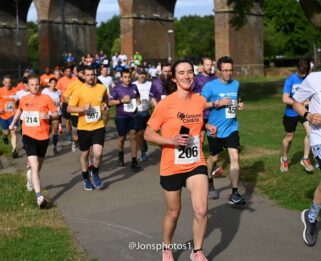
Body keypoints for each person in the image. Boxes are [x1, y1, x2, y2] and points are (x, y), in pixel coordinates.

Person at [144, 60, 217, 261]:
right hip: (171, 166)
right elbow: (148, 134)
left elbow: (196, 122)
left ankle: (197, 251)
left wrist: (207, 126)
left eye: (190, 72)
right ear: (174, 78)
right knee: (174, 213)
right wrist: (171, 140)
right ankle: (167, 247)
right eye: (182, 73)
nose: (187, 76)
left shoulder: (199, 100)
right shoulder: (165, 104)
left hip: (196, 162)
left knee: (201, 210)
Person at [201, 56, 246, 204]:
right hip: (215, 129)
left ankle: (234, 193)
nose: (228, 73)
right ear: (219, 70)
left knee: (234, 156)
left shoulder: (236, 84)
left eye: (231, 70)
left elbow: (237, 98)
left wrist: (239, 105)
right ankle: (209, 181)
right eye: (225, 70)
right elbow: (200, 105)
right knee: (214, 157)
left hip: (231, 127)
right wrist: (216, 103)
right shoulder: (210, 86)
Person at [9, 76, 58, 208]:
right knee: (35, 166)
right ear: (28, 86)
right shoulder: (24, 99)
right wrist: (13, 123)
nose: (35, 87)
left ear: (40, 85)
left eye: (37, 84)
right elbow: (19, 110)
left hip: (43, 136)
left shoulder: (47, 98)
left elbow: (55, 114)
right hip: (28, 135)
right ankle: (39, 197)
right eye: (32, 85)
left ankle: (30, 177)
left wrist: (47, 116)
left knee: (37, 167)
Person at [68, 66, 108, 190]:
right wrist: (82, 109)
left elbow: (105, 98)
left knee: (98, 153)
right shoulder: (78, 90)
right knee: (85, 154)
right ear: (84, 76)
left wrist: (104, 104)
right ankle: (86, 178)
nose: (91, 77)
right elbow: (69, 108)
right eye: (88, 75)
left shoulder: (101, 88)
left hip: (98, 126)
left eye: (92, 74)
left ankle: (95, 173)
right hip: (84, 127)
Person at [293, 71, 321, 246]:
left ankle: (310, 214)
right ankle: (311, 218)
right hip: (319, 138)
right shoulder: (314, 79)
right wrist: (309, 116)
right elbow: (296, 103)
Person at [280, 59, 313, 173]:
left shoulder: (308, 79)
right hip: (291, 113)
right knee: (289, 138)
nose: (303, 75)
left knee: (310, 132)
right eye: (301, 72)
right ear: (297, 69)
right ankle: (284, 159)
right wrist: (298, 103)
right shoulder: (290, 80)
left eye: (305, 72)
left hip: (304, 112)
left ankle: (305, 158)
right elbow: (285, 98)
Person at [108, 69, 141, 172]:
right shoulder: (116, 89)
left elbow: (138, 97)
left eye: (129, 77)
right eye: (125, 77)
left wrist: (138, 101)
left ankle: (134, 160)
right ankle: (120, 155)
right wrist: (121, 100)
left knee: (133, 136)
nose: (127, 79)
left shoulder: (134, 87)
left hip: (133, 116)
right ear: (121, 78)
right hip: (121, 117)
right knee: (121, 138)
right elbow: (110, 102)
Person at [63, 65, 85, 152]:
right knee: (76, 131)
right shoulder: (73, 84)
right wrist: (74, 105)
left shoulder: (91, 83)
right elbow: (65, 97)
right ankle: (75, 141)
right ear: (77, 74)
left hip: (87, 112)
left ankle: (85, 148)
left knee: (85, 130)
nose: (83, 75)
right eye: (81, 73)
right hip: (75, 112)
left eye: (85, 73)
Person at [133, 69, 152, 161]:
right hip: (138, 112)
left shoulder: (150, 84)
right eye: (140, 74)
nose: (142, 76)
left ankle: (145, 145)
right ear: (137, 75)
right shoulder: (133, 85)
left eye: (144, 74)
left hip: (149, 111)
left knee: (149, 133)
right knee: (139, 133)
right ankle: (143, 152)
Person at [0, 75, 19, 158]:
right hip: (3, 115)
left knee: (14, 131)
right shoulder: (0, 91)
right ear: (3, 82)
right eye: (6, 82)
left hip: (13, 115)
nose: (8, 84)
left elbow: (19, 100)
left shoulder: (15, 90)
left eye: (9, 82)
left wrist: (17, 108)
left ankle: (14, 150)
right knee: (6, 131)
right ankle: (4, 135)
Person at [42, 78, 62, 154]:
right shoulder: (45, 91)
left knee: (55, 128)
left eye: (55, 83)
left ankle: (54, 146)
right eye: (52, 83)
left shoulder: (58, 91)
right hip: (47, 114)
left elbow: (60, 101)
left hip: (56, 113)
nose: (53, 84)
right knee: (48, 130)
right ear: (49, 84)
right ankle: (44, 143)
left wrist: (60, 105)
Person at [57, 66, 76, 141]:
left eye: (69, 71)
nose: (68, 72)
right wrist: (60, 102)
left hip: (74, 102)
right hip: (65, 102)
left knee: (74, 120)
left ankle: (75, 134)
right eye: (67, 71)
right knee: (68, 120)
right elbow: (57, 92)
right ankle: (69, 133)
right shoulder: (61, 80)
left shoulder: (75, 79)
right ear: (64, 72)